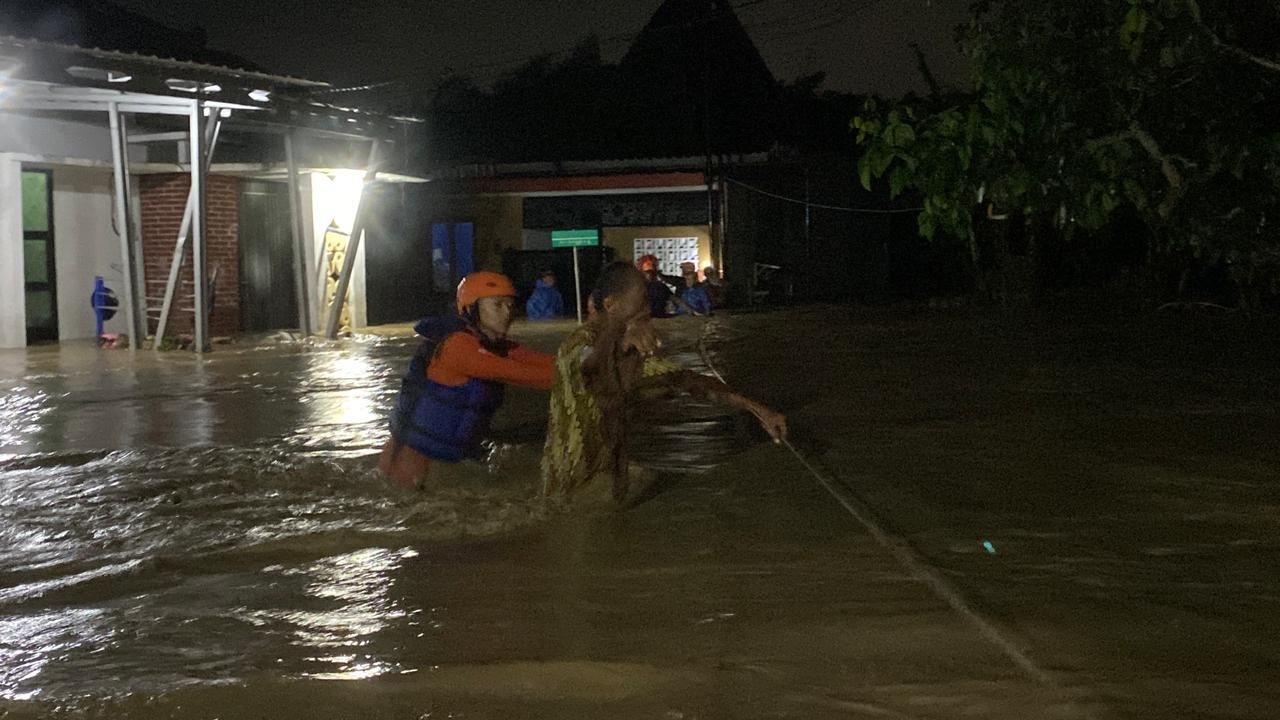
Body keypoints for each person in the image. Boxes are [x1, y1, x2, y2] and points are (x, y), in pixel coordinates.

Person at [541, 261, 786, 504]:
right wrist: (624, 343)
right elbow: (592, 366)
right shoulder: (576, 344)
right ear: (610, 305)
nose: (648, 308)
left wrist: (759, 409)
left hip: (605, 481)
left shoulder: (634, 356)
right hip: (569, 492)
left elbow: (691, 381)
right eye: (640, 302)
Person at [379, 271, 555, 488]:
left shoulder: (490, 345)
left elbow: (549, 363)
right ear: (472, 309)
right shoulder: (457, 347)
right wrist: (582, 373)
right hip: (417, 470)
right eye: (497, 305)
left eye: (510, 305)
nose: (507, 312)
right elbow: (525, 375)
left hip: (440, 463)